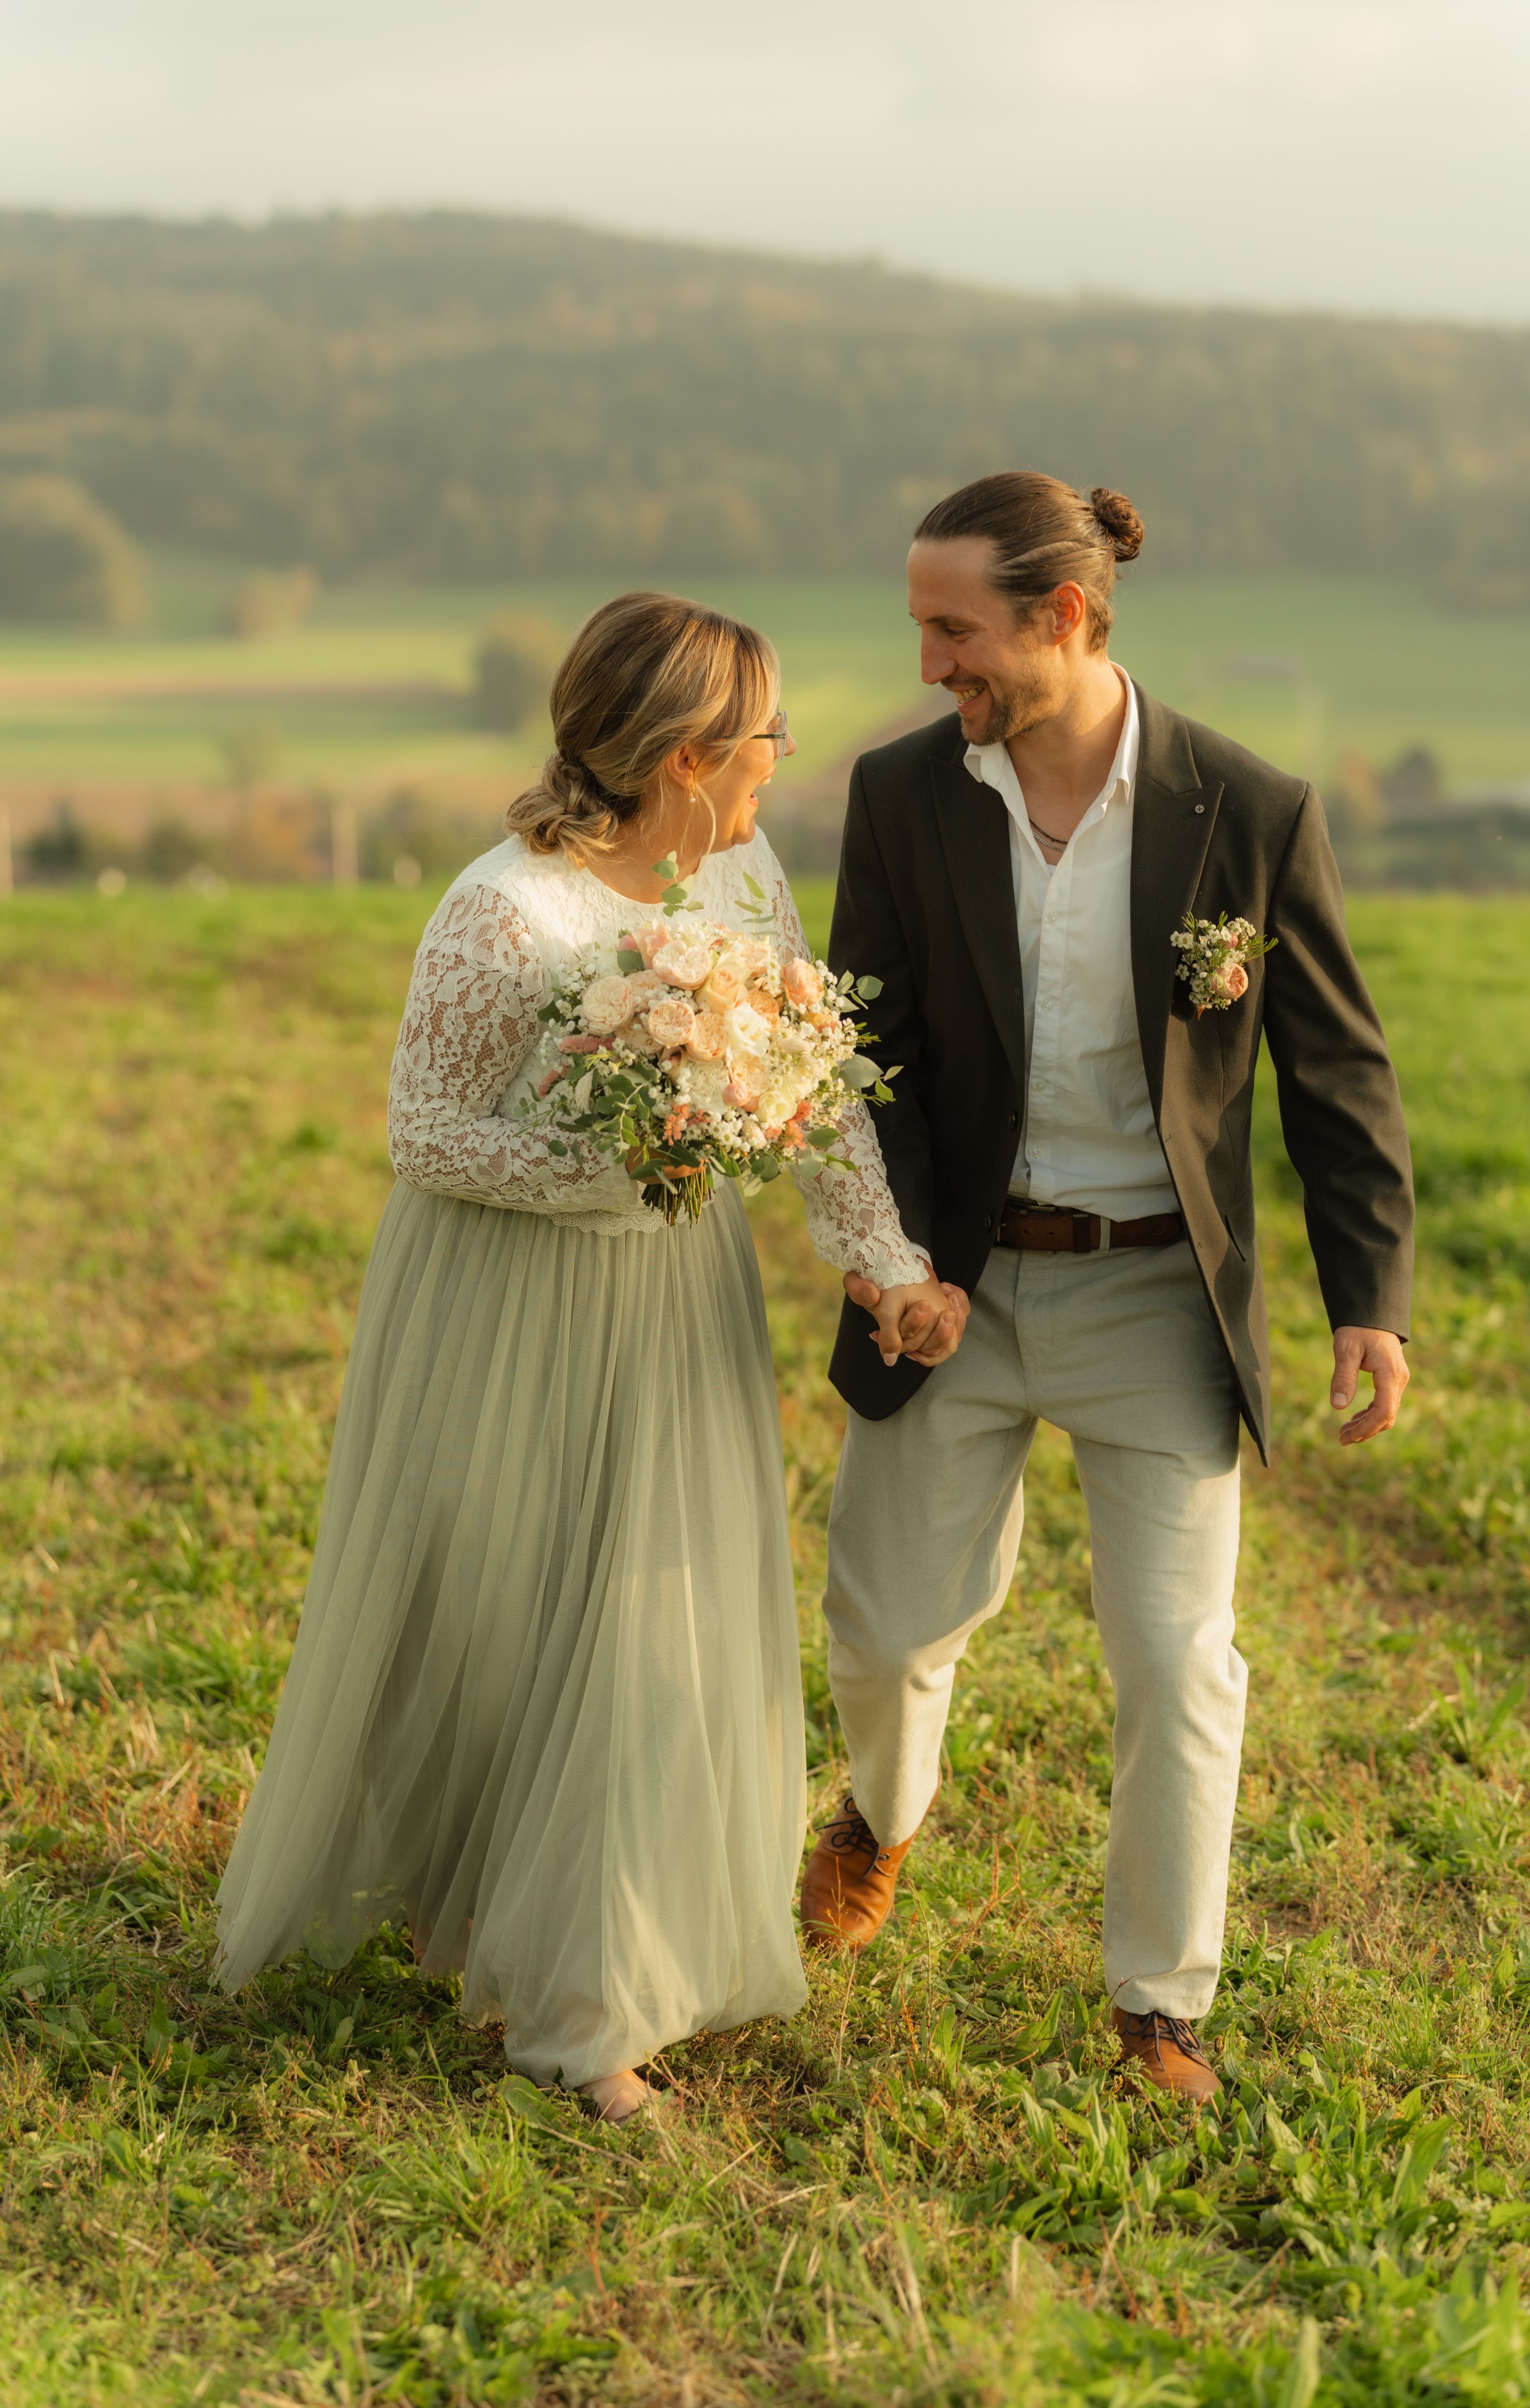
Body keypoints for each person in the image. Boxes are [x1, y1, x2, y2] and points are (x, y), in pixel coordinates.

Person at [213, 591, 960, 2123]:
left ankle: (587, 1998)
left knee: (650, 1627)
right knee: (504, 1615)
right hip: (503, 1297)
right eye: (763, 733)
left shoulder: (743, 873)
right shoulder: (504, 910)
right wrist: (619, 1170)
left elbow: (813, 1097)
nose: (782, 755)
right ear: (685, 754)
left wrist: (884, 1263)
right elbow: (423, 1133)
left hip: (673, 1302)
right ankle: (504, 1922)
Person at [798, 473, 1414, 2103]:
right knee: (884, 1630)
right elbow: (866, 1052)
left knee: (1176, 1656)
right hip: (956, 1287)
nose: (929, 663)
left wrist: (1368, 1296)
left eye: (953, 629)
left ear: (1060, 616)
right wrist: (893, 1263)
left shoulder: (1246, 806)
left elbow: (1334, 1068)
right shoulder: (899, 796)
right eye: (918, 627)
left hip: (1155, 1299)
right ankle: (881, 1812)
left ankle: (1157, 2005)